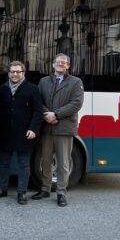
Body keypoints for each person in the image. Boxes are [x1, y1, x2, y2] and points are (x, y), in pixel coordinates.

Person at [33, 53, 84, 207]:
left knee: (63, 163)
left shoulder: (76, 82)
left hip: (64, 128)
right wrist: (46, 114)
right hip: (47, 127)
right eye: (58, 62)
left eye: (64, 62)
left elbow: (76, 103)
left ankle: (61, 192)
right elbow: (37, 101)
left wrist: (56, 114)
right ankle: (45, 189)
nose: (61, 64)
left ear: (68, 66)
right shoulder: (43, 81)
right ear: (53, 64)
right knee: (46, 161)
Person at [0, 61, 42, 205]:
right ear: (8, 74)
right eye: (12, 71)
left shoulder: (32, 89)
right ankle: (2, 189)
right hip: (5, 132)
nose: (15, 74)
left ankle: (22, 193)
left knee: (23, 164)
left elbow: (38, 111)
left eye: (18, 72)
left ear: (23, 73)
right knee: (4, 163)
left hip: (25, 132)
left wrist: (33, 129)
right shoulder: (2, 89)